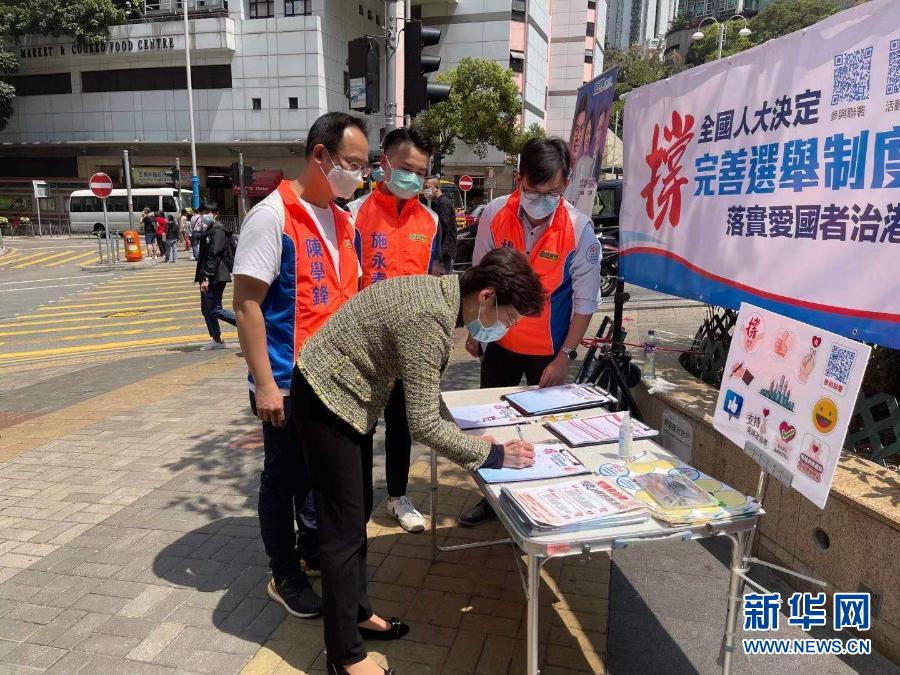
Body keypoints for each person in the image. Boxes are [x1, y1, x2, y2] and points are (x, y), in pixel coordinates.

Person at [292, 247, 543, 675]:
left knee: (355, 521)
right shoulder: (428, 317)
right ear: (486, 296)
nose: (508, 327)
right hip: (326, 399)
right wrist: (494, 454)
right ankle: (344, 656)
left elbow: (424, 399)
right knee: (342, 531)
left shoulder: (437, 298)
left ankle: (356, 614)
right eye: (510, 317)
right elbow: (423, 424)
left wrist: (469, 436)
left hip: (348, 397)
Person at [232, 112, 370, 620]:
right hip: (287, 382)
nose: (359, 175)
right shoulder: (272, 217)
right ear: (320, 156)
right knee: (284, 477)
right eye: (352, 164)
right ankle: (283, 571)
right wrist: (265, 385)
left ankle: (311, 550)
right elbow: (247, 302)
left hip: (336, 381)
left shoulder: (343, 217)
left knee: (320, 476)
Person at [459, 137, 602, 528]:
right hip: (500, 344)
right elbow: (480, 277)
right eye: (533, 191)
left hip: (548, 351)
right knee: (493, 427)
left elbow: (586, 302)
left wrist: (565, 356)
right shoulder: (493, 213)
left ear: (566, 183)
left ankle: (541, 502)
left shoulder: (578, 228)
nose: (541, 200)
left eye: (553, 192)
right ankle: (490, 496)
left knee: (546, 430)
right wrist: (477, 329)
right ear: (518, 178)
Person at [347, 127, 440, 534]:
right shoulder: (353, 214)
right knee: (360, 426)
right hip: (364, 344)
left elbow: (433, 281)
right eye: (405, 168)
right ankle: (359, 501)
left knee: (403, 424)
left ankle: (398, 496)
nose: (412, 178)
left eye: (420, 172)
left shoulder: (432, 220)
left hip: (409, 345)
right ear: (383, 162)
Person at [194, 203, 238, 350]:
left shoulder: (218, 230)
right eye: (202, 212)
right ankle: (217, 340)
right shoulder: (210, 229)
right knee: (206, 309)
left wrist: (206, 277)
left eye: (207, 212)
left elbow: (214, 254)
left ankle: (247, 324)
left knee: (215, 308)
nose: (204, 215)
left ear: (215, 213)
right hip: (208, 274)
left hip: (216, 275)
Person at [424, 176, 458, 275]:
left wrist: (438, 251)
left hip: (444, 251)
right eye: (425, 187)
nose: (426, 190)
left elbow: (443, 228)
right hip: (444, 250)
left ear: (437, 187)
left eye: (428, 187)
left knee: (443, 280)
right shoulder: (439, 203)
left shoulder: (443, 204)